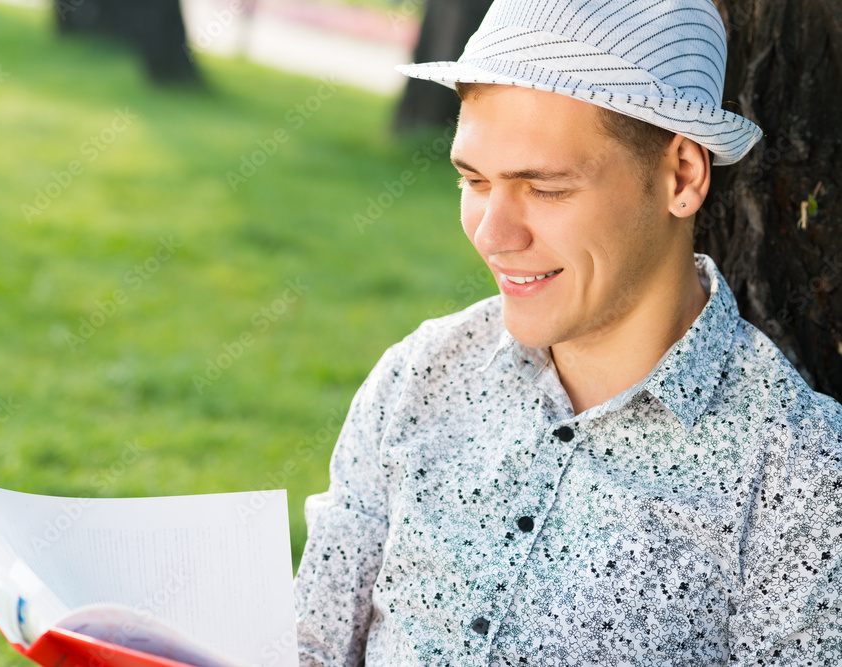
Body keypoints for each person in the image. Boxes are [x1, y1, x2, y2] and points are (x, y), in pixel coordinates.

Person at [293, 0, 842, 664]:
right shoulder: (416, 380)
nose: (493, 235)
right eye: (474, 180)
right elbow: (308, 648)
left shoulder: (801, 475)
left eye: (545, 188)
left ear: (683, 176)